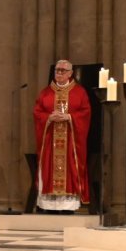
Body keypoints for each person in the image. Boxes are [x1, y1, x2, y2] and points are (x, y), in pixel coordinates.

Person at [34, 59, 91, 213]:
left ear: (70, 73)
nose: (59, 73)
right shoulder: (45, 92)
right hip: (50, 141)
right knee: (49, 168)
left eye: (63, 70)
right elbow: (37, 112)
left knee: (70, 168)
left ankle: (68, 208)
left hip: (71, 142)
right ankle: (49, 207)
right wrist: (48, 118)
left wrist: (70, 117)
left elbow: (86, 113)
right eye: (57, 70)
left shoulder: (79, 92)